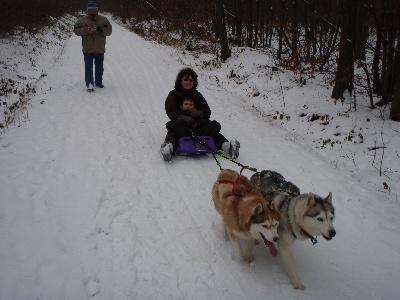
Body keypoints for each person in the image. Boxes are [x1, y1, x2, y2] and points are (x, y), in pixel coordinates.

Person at [160, 67, 240, 162]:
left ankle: (228, 147)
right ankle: (169, 148)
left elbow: (207, 111)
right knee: (174, 129)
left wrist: (199, 114)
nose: (188, 82)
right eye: (185, 79)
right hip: (181, 125)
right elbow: (170, 110)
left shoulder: (197, 95)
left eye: (191, 80)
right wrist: (182, 117)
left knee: (214, 126)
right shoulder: (173, 94)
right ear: (180, 81)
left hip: (197, 125)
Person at [73, 1, 112, 91]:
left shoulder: (103, 20)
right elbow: (76, 30)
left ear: (97, 10)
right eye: (90, 10)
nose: (92, 12)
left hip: (99, 47)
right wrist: (86, 30)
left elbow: (109, 30)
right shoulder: (82, 20)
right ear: (87, 11)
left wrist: (101, 30)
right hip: (87, 47)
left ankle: (98, 82)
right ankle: (89, 84)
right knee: (88, 66)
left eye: (94, 10)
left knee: (99, 66)